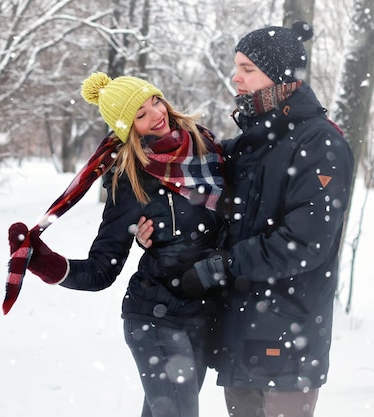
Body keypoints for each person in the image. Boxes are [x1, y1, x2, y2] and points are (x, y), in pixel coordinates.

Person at [137, 22, 354, 417]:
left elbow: (306, 243)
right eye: (235, 66)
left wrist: (219, 267)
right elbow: (210, 205)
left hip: (288, 340)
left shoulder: (320, 143)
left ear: (281, 76)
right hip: (240, 334)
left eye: (247, 68)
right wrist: (158, 228)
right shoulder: (247, 145)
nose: (235, 77)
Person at [8, 72, 224, 417]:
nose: (156, 114)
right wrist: (47, 263)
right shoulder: (132, 179)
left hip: (200, 312)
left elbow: (227, 225)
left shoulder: (207, 148)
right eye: (140, 115)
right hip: (155, 317)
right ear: (128, 129)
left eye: (154, 100)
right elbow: (101, 270)